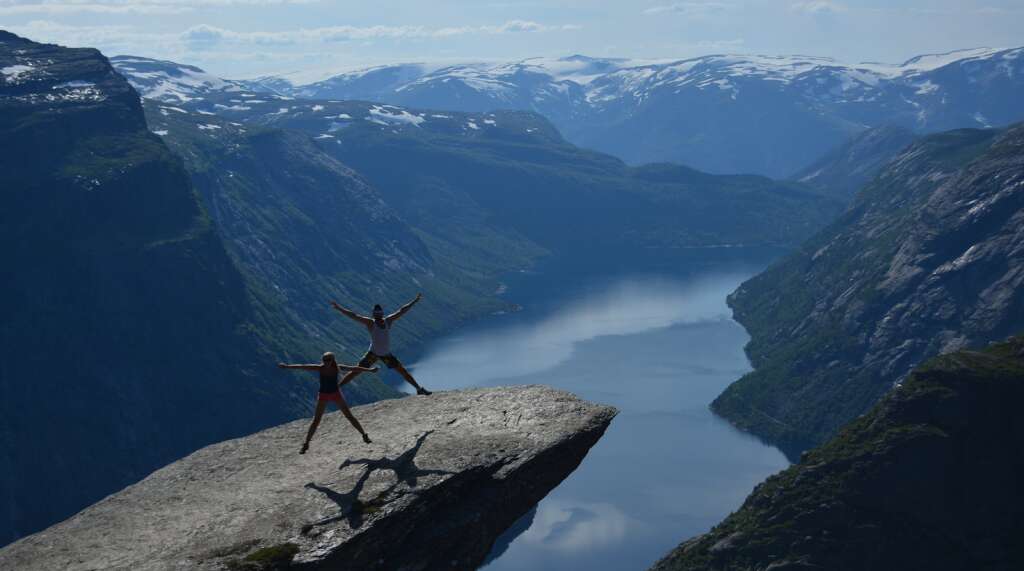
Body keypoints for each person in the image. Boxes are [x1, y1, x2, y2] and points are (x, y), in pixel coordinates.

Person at [330, 293, 433, 396]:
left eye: (379, 313)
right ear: (374, 314)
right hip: (374, 353)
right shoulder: (372, 323)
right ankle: (336, 388)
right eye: (377, 313)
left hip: (384, 354)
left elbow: (402, 311)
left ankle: (419, 389)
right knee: (356, 371)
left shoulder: (387, 321)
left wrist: (414, 301)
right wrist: (339, 308)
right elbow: (354, 316)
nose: (378, 315)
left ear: (381, 313)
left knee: (403, 372)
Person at [278, 352, 378, 454]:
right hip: (324, 395)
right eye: (324, 360)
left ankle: (364, 435)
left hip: (334, 394)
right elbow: (303, 366)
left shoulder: (337, 367)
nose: (326, 362)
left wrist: (369, 370)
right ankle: (306, 444)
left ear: (332, 360)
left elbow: (355, 368)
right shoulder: (321, 368)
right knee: (316, 421)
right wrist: (287, 366)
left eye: (328, 360)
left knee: (349, 416)